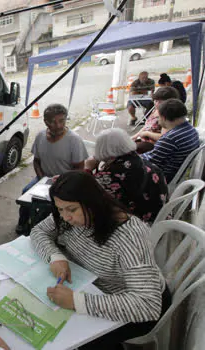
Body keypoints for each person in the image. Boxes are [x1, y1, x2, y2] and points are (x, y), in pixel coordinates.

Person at [31, 171, 171, 350]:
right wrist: (55, 257)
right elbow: (39, 231)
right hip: (94, 287)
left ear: (92, 203)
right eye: (59, 209)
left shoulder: (130, 236)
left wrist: (76, 301)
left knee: (70, 342)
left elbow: (147, 305)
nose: (65, 217)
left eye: (71, 210)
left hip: (130, 304)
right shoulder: (68, 215)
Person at [16, 104, 88, 235]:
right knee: (26, 193)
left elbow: (79, 170)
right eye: (53, 122)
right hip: (44, 178)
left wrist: (61, 183)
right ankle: (22, 223)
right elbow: (36, 161)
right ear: (45, 122)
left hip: (65, 183)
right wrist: (41, 178)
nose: (58, 125)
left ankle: (42, 228)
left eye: (61, 121)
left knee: (50, 205)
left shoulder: (74, 140)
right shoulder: (40, 136)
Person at [85, 128, 168, 224]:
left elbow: (87, 194)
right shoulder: (140, 160)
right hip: (159, 215)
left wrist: (88, 169)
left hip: (139, 224)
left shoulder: (111, 175)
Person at [142, 98, 200, 183]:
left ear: (164, 118)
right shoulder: (191, 130)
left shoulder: (170, 138)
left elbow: (148, 160)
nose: (158, 121)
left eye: (158, 117)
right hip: (178, 174)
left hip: (162, 178)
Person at [131, 86, 180, 154]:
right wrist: (134, 136)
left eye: (160, 102)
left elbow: (164, 138)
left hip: (153, 146)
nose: (156, 104)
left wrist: (147, 133)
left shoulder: (168, 116)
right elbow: (146, 126)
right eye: (156, 100)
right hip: (143, 140)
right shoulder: (155, 110)